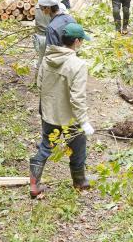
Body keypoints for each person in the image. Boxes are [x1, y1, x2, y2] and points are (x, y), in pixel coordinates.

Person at [30, 22, 94, 198]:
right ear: (76, 41)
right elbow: (77, 98)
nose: (81, 43)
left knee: (45, 146)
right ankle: (79, 181)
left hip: (49, 114)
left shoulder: (47, 59)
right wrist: (84, 122)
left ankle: (34, 186)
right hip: (70, 119)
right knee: (78, 147)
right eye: (81, 40)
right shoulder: (78, 65)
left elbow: (40, 85)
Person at [33, 0, 68, 71]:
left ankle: (39, 79)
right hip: (50, 36)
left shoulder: (38, 6)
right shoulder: (56, 9)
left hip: (40, 37)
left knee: (42, 60)